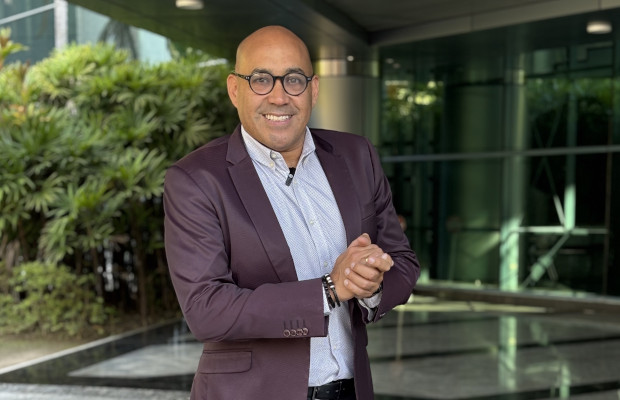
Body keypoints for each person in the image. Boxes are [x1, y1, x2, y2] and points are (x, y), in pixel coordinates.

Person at [163, 25, 420, 400]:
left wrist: (372, 285)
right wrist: (329, 290)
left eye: (294, 79)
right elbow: (206, 309)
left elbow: (403, 261)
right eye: (261, 79)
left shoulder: (357, 156)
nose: (279, 96)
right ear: (234, 89)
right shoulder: (197, 179)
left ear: (313, 90)